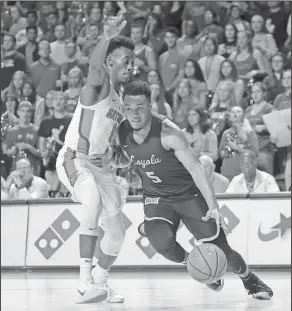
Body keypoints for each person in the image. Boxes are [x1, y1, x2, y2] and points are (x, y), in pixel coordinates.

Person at [113, 80, 273, 300]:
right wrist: (113, 160)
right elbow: (126, 157)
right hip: (156, 197)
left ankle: (249, 279)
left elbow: (197, 169)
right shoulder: (122, 130)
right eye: (129, 109)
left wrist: (214, 207)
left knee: (221, 251)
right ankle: (202, 268)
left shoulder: (169, 132)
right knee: (162, 244)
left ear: (150, 105)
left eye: (140, 108)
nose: (134, 115)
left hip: (188, 194)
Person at [55, 16, 135, 304]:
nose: (131, 66)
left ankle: (100, 282)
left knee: (117, 233)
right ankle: (83, 281)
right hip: (74, 158)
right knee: (92, 199)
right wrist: (107, 37)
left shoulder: (121, 101)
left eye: (133, 61)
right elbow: (93, 67)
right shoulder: (97, 88)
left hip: (99, 166)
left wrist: (117, 158)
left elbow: (121, 158)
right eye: (125, 60)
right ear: (110, 61)